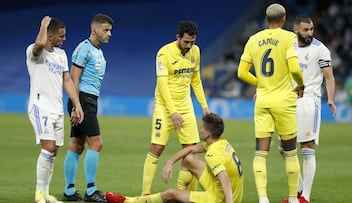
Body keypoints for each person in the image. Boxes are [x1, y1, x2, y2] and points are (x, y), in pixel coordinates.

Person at [237, 3, 305, 203]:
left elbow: (241, 73)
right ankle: (293, 198)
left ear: (266, 20)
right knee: (291, 153)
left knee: (261, 152)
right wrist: (301, 84)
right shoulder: (289, 38)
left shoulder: (253, 39)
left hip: (263, 101)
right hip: (284, 101)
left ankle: (263, 198)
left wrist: (263, 84)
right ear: (284, 19)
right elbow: (294, 68)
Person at [106, 113, 244, 203]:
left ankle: (127, 201)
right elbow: (190, 149)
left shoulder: (212, 155)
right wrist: (170, 162)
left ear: (207, 133)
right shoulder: (221, 142)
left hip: (220, 198)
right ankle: (184, 196)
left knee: (170, 194)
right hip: (226, 191)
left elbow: (225, 181)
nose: (199, 129)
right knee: (189, 158)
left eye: (201, 127)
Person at [141, 20, 209, 195]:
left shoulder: (196, 51)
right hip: (164, 108)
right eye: (186, 41)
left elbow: (196, 80)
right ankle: (146, 194)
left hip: (185, 106)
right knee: (157, 148)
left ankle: (189, 196)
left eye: (192, 42)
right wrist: (173, 112)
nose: (189, 45)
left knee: (191, 152)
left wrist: (204, 106)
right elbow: (162, 85)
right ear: (178, 37)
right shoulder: (164, 53)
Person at [277, 15, 337, 203]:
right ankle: (299, 190)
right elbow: (279, 72)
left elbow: (329, 77)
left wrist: (331, 99)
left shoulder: (320, 50)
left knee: (307, 148)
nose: (310, 33)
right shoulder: (288, 45)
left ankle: (306, 198)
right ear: (295, 30)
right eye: (306, 30)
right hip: (287, 101)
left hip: (309, 101)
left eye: (311, 29)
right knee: (283, 148)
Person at [26, 16, 84, 203]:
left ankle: (45, 193)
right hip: (40, 106)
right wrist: (43, 25)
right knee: (48, 147)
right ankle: (38, 194)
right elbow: (38, 45)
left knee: (54, 151)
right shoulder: (35, 52)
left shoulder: (61, 55)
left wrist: (77, 104)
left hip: (56, 108)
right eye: (61, 36)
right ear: (49, 36)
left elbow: (66, 80)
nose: (64, 39)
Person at [61, 13, 113, 202]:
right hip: (82, 99)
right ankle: (91, 191)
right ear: (95, 30)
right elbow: (73, 78)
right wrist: (77, 106)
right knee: (96, 143)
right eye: (106, 30)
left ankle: (69, 191)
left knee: (77, 144)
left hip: (87, 100)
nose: (109, 34)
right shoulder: (84, 48)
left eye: (110, 30)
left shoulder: (98, 50)